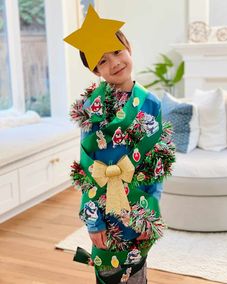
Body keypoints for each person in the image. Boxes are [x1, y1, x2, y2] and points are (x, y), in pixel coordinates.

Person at [66, 5, 175, 284]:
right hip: (104, 206)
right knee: (108, 269)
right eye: (102, 61)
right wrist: (93, 220)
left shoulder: (150, 103)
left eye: (116, 51)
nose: (114, 63)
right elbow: (87, 168)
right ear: (95, 71)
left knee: (137, 271)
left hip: (138, 202)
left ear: (128, 47)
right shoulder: (91, 108)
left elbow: (156, 161)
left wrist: (150, 209)